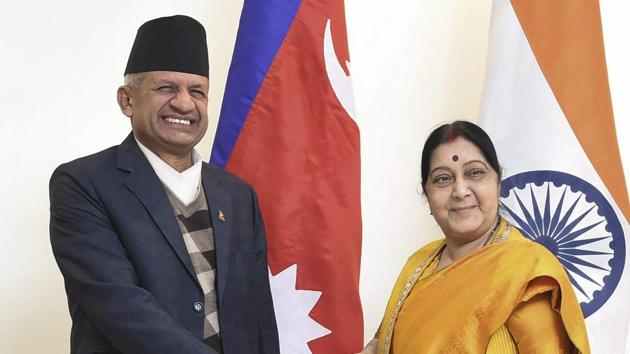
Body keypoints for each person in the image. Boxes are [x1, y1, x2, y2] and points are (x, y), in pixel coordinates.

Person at [49, 15, 279, 354]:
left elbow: (258, 314)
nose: (184, 103)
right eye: (166, 88)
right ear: (127, 100)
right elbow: (122, 309)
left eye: (197, 91)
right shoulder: (83, 184)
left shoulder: (238, 195)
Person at [359, 121, 590, 353]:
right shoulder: (418, 263)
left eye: (475, 173)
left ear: (498, 183)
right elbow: (386, 344)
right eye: (442, 178)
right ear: (427, 194)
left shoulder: (525, 270)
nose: (460, 191)